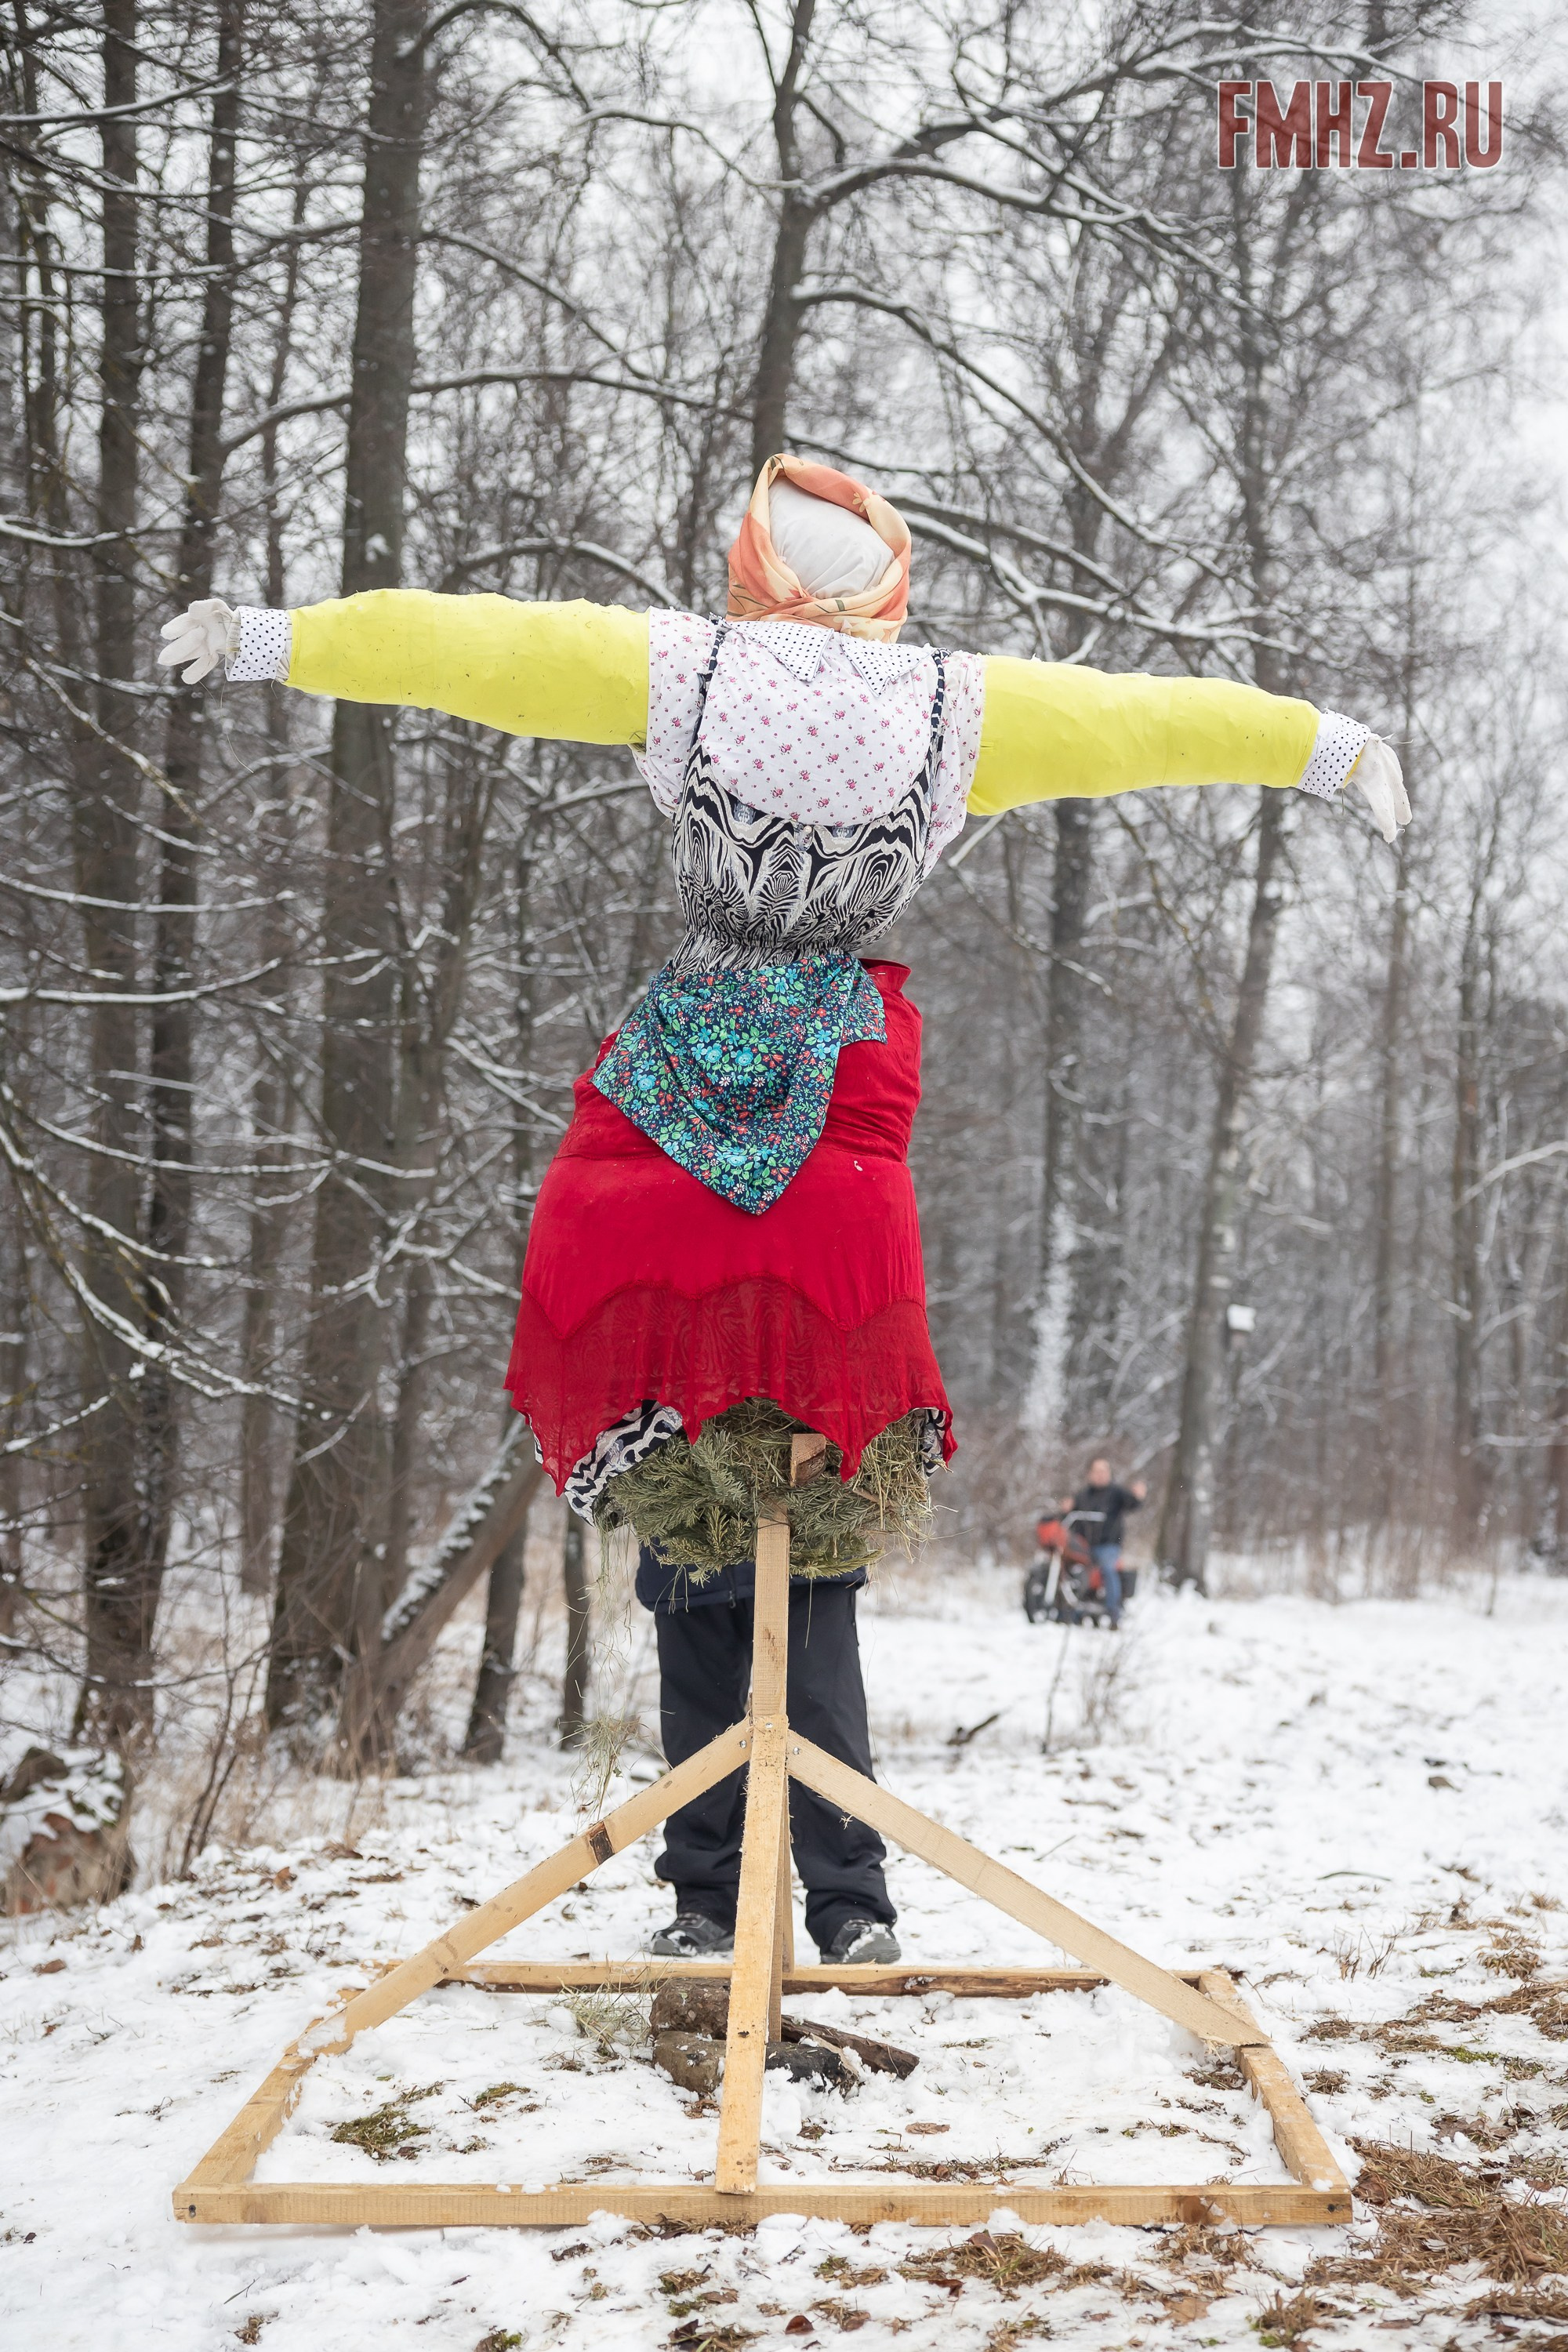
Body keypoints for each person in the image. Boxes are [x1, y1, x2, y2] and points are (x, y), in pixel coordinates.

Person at [159, 453, 1408, 1964]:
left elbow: (470, 649)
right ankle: (842, 1894)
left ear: (751, 563)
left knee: (691, 1535)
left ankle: (713, 1893)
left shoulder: (681, 671)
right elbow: (1151, 724)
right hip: (836, 1160)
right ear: (887, 586)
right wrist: (1321, 744)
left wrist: (280, 637)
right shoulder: (956, 709)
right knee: (810, 1553)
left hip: (661, 1143)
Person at [1066, 1458, 1148, 1628]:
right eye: (1097, 1471)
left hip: (1109, 1545)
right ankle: (1072, 1611)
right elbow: (1070, 1516)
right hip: (1085, 1546)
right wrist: (1065, 1509)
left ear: (1109, 1474)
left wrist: (1138, 1497)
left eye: (1103, 1471)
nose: (1100, 1475)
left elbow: (1133, 1503)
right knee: (1073, 1570)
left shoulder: (1116, 1493)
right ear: (1090, 1474)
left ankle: (1114, 1614)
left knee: (1109, 1569)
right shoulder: (1083, 1495)